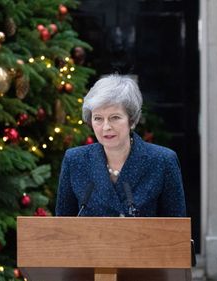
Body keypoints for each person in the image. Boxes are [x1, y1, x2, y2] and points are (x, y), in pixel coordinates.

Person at [55, 75, 186, 217]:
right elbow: (63, 227)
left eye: (115, 118)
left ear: (131, 120)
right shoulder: (75, 160)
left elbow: (176, 230)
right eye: (98, 118)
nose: (106, 127)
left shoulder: (163, 161)